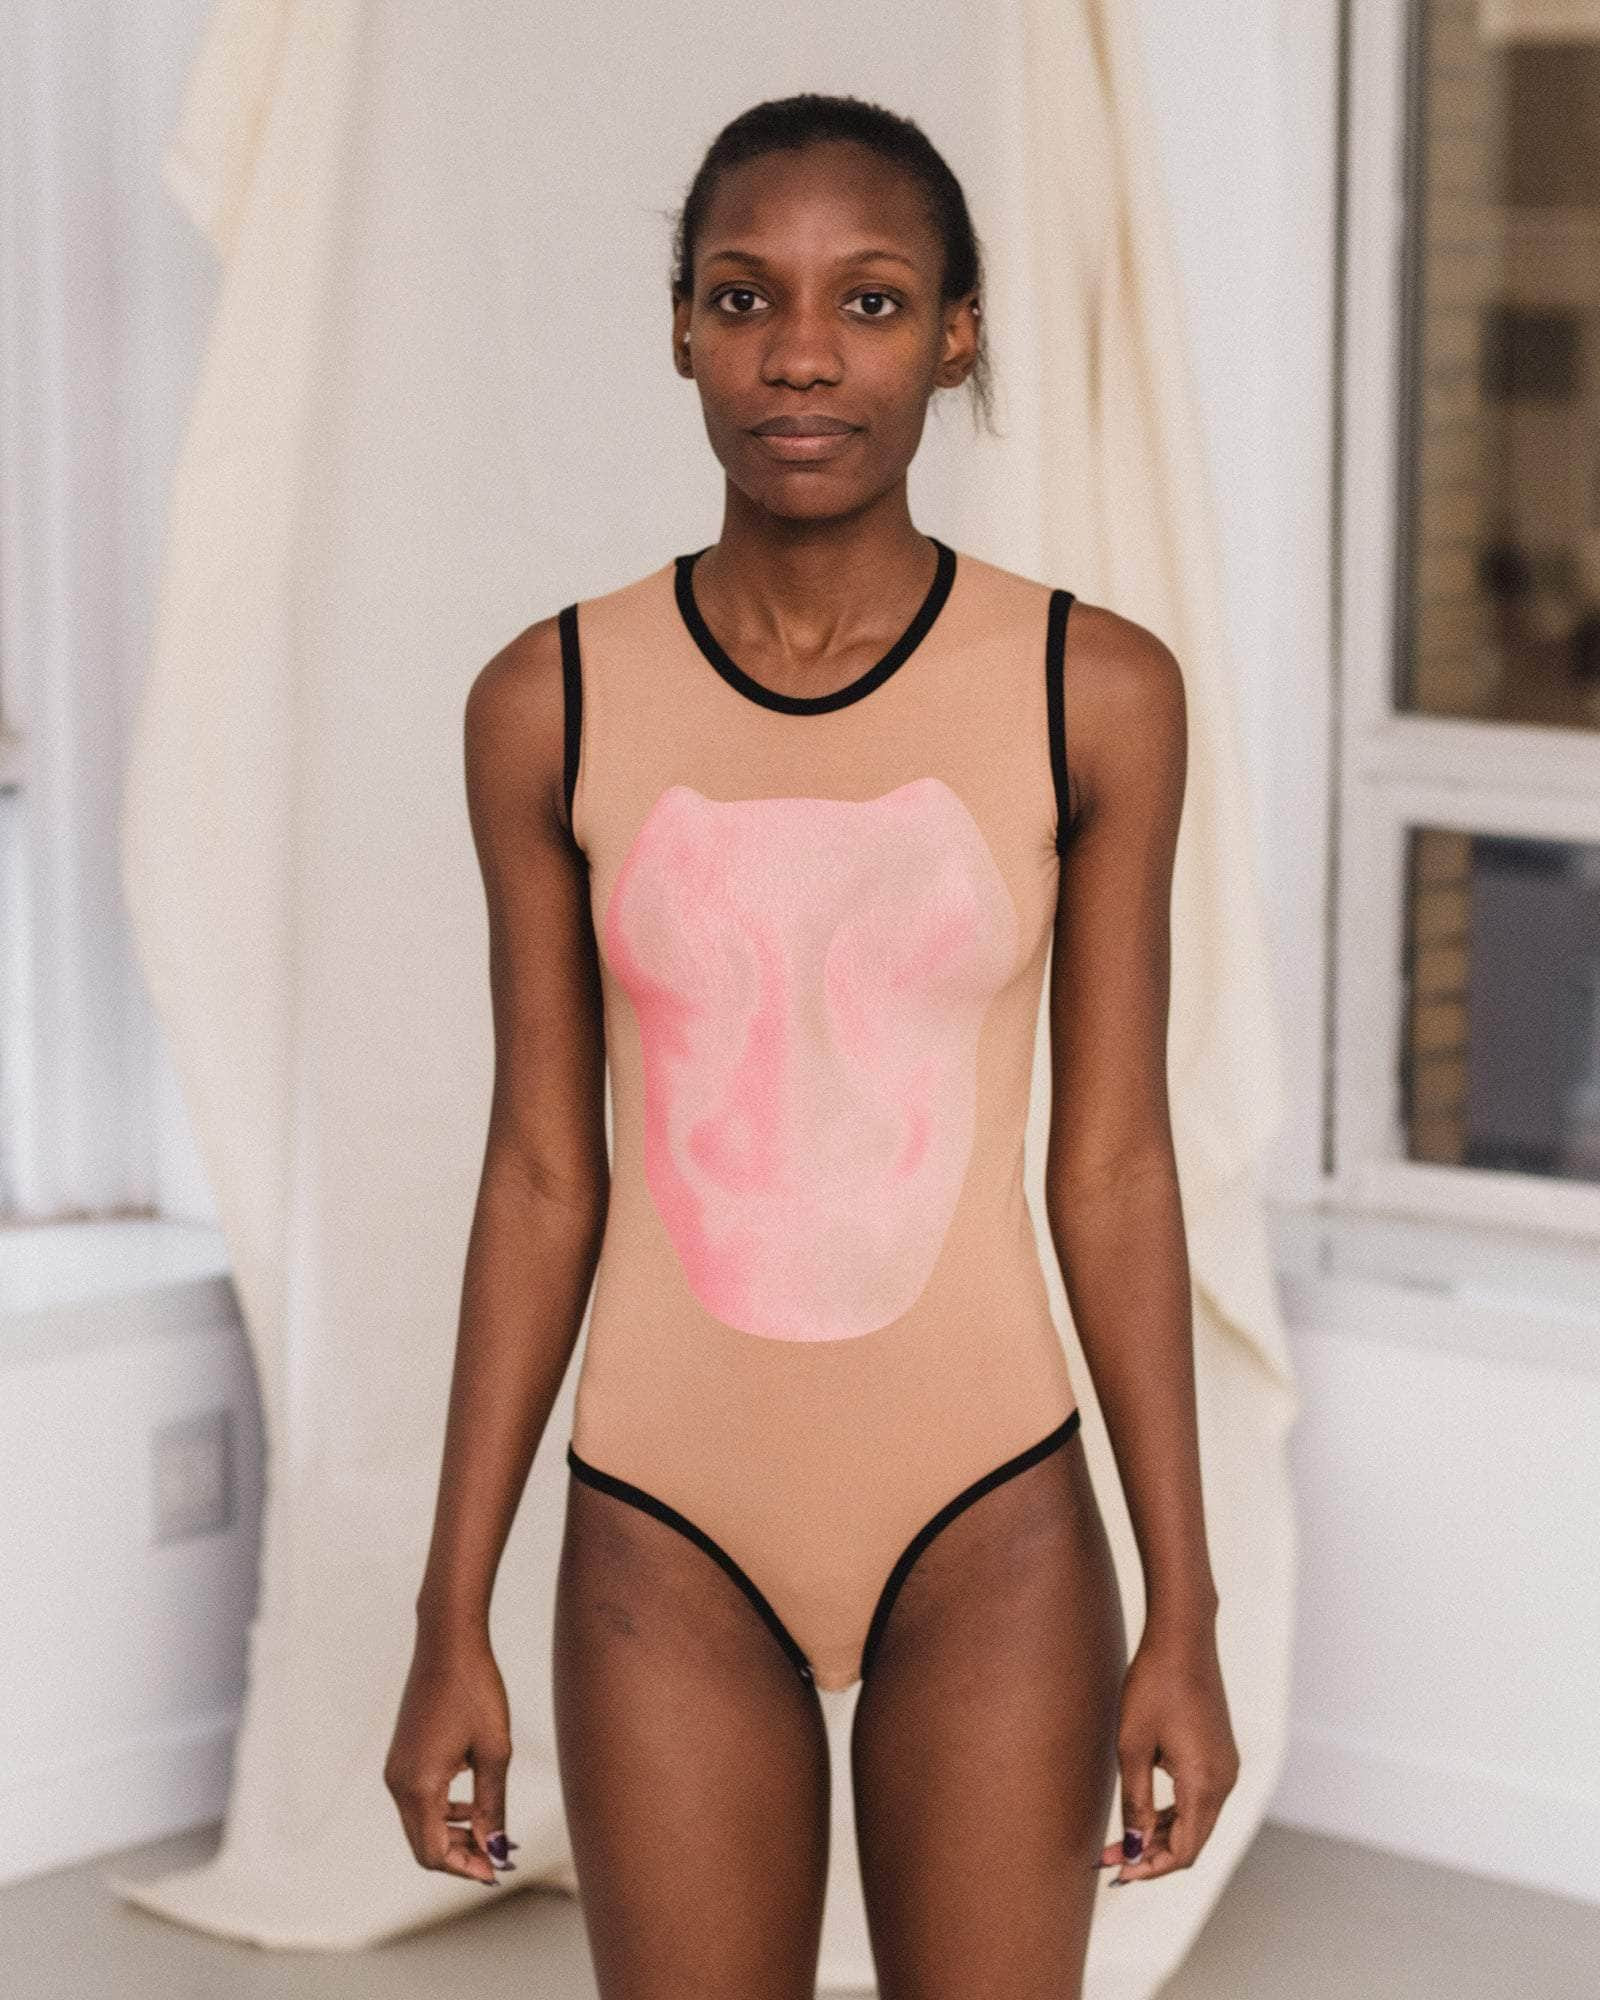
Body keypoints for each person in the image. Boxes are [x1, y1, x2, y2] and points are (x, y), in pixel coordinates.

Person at [385, 90, 1239, 1998]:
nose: (799, 354)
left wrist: (1183, 1610)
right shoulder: (549, 700)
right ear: (681, 328)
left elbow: (1114, 1166)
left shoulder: (1091, 690)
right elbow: (543, 1172)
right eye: (743, 295)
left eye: (869, 301)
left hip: (991, 1520)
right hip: (661, 1527)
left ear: (957, 334)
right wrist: (450, 1615)